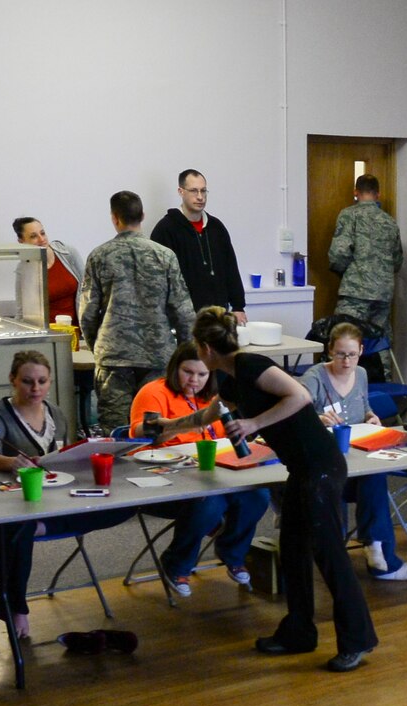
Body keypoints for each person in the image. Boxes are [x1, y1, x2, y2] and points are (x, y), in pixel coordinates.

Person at [149, 306, 377, 672]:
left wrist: (254, 421)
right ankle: (298, 633)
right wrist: (171, 427)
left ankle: (358, 639)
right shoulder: (229, 378)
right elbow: (213, 413)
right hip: (302, 470)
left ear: (206, 347)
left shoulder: (251, 364)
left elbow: (299, 396)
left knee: (329, 554)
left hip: (320, 467)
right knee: (293, 550)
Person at [0, 350, 134, 640]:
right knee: (15, 529)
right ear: (13, 380)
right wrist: (10, 462)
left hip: (56, 496)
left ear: (49, 382)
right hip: (12, 502)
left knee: (124, 504)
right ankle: (18, 607)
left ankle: (46, 526)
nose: (35, 388)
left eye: (42, 381)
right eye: (27, 381)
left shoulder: (56, 413)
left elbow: (65, 453)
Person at [126, 344, 272, 594]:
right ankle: (177, 563)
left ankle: (233, 552)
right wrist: (179, 427)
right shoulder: (154, 391)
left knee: (258, 495)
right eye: (187, 372)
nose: (194, 380)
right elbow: (143, 437)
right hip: (160, 477)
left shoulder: (212, 396)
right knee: (210, 502)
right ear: (175, 369)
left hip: (210, 472)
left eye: (202, 375)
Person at [300, 324, 407, 579]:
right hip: (326, 461)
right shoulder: (314, 377)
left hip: (357, 455)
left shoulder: (362, 374)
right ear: (330, 350)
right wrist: (318, 418)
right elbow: (297, 414)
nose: (346, 361)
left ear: (361, 351)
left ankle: (376, 547)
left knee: (375, 475)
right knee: (365, 480)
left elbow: (364, 406)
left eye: (352, 354)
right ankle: (377, 554)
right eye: (341, 354)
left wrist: (371, 416)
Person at [80, 190, 194, 435]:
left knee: (117, 432)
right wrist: (183, 355)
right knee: (154, 430)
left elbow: (87, 312)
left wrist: (97, 346)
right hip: (157, 355)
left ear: (114, 218)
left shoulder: (99, 256)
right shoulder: (164, 256)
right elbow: (183, 312)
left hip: (113, 357)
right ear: (142, 215)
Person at [149, 169, 245, 321]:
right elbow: (157, 278)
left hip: (218, 315)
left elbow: (230, 268)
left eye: (203, 191)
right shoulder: (166, 229)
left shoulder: (216, 228)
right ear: (181, 191)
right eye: (194, 191)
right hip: (181, 318)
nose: (200, 197)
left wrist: (238, 306)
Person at [328, 174, 404, 331]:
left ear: (356, 192)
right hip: (383, 292)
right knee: (379, 341)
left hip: (355, 292)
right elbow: (397, 260)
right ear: (378, 194)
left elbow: (339, 253)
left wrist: (347, 273)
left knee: (346, 337)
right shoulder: (389, 221)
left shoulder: (349, 215)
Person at [12, 216, 84, 326]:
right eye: (33, 236)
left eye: (43, 233)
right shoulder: (23, 270)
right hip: (48, 333)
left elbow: (88, 288)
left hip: (79, 330)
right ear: (22, 241)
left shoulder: (67, 253)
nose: (42, 239)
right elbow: (21, 312)